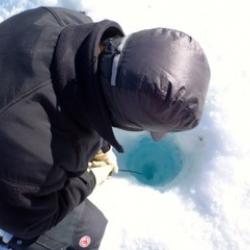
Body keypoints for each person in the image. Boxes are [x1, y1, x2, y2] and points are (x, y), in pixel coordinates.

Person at [0, 6, 210, 250]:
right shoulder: (37, 153)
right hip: (12, 176)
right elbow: (27, 220)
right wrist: (89, 178)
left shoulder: (64, 20)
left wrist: (96, 142)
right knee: (86, 233)